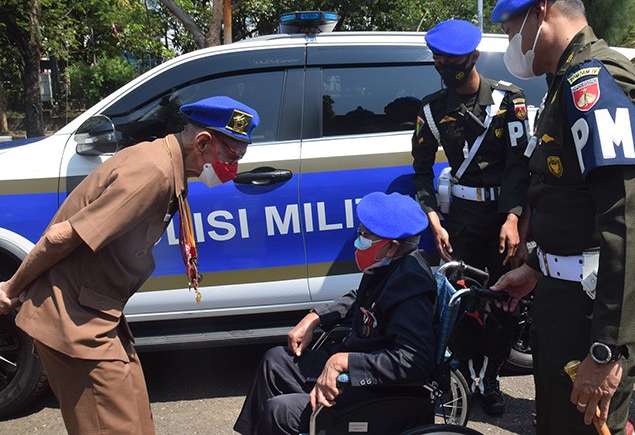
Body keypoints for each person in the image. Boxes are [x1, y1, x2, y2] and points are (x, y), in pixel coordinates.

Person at [0, 96, 259, 434]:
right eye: (231, 156)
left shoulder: (166, 166)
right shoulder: (153, 174)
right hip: (73, 323)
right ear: (203, 142)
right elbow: (59, 237)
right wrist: (11, 288)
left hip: (98, 317)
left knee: (136, 423)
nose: (233, 168)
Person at [487, 0, 635, 433]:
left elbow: (623, 220)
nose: (510, 45)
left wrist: (607, 349)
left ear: (541, 12)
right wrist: (539, 268)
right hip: (566, 301)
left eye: (509, 31)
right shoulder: (564, 81)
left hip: (593, 315)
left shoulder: (593, 81)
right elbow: (572, 207)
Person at [233, 191, 436, 435]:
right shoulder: (387, 265)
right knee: (274, 361)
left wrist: (344, 362)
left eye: (365, 235)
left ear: (391, 247)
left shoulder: (410, 284)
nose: (358, 239)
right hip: (359, 362)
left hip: (379, 390)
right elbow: (360, 300)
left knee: (280, 411)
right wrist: (316, 316)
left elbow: (414, 362)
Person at [411, 19, 531, 416]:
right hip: (459, 218)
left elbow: (518, 164)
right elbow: (421, 170)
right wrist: (432, 216)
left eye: (453, 60)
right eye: (438, 60)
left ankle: (491, 377)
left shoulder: (508, 100)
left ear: (474, 57)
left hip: (502, 220)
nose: (445, 66)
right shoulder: (431, 110)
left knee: (501, 301)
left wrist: (512, 218)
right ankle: (462, 376)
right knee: (460, 302)